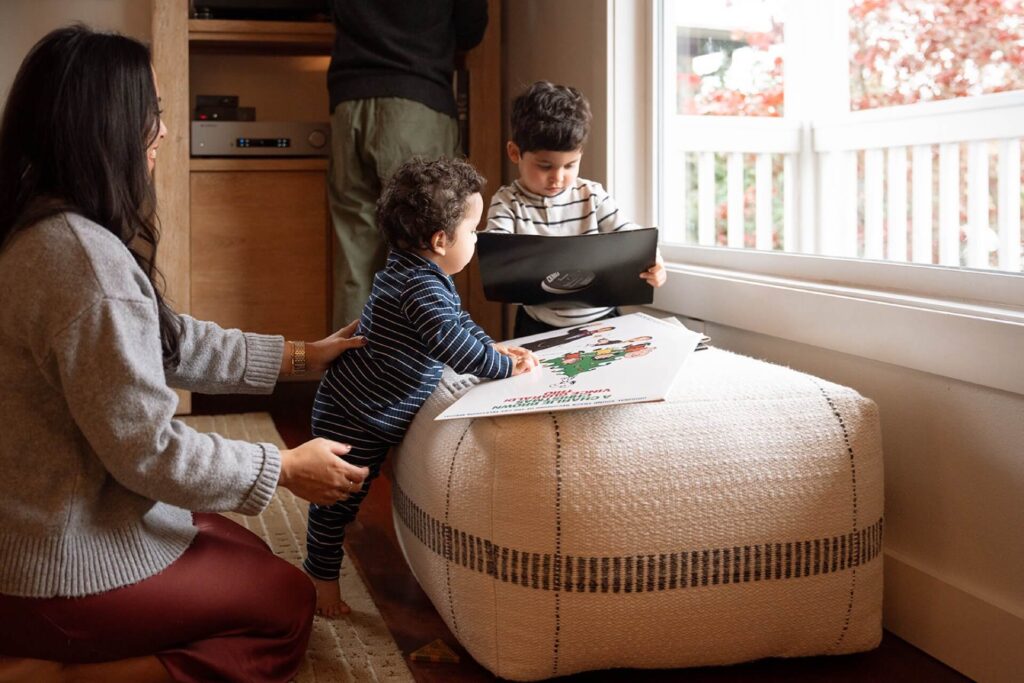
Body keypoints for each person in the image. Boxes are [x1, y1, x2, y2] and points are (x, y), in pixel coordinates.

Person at [0, 26, 371, 683]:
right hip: (52, 567)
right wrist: (284, 466)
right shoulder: (85, 265)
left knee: (237, 541)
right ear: (105, 126)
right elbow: (149, 452)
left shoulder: (41, 230)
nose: (163, 132)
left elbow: (169, 340)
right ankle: (55, 672)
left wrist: (301, 356)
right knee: (288, 605)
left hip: (37, 530)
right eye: (154, 114)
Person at [304, 157, 538, 616]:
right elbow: (456, 349)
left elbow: (457, 325)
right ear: (440, 240)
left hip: (365, 405)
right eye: (474, 230)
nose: (476, 238)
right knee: (336, 502)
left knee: (347, 499)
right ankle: (319, 575)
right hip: (357, 413)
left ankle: (323, 564)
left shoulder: (417, 272)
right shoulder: (420, 290)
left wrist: (491, 344)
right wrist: (503, 368)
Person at [327, 0, 489, 330]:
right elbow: (471, 29)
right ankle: (423, 377)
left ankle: (350, 375)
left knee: (354, 258)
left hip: (349, 102)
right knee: (427, 251)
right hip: (415, 100)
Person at [485, 81, 668, 338]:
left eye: (570, 165)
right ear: (515, 153)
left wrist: (654, 261)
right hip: (537, 324)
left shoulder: (591, 195)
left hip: (602, 319)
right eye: (545, 166)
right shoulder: (507, 202)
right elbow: (497, 255)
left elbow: (632, 237)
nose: (557, 178)